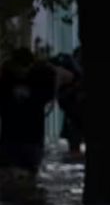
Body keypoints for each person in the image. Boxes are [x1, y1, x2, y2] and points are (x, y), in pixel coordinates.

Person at [0, 48, 73, 176]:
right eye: (18, 67)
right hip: (12, 142)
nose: (21, 71)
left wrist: (51, 68)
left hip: (31, 142)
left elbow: (69, 77)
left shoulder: (40, 78)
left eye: (25, 67)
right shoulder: (6, 80)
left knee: (27, 178)